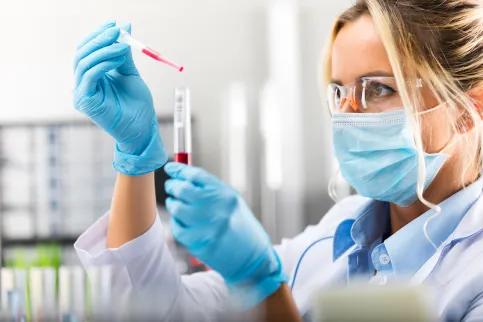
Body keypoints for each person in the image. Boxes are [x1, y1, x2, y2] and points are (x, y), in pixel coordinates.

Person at [72, 0, 483, 320]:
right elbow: (157, 310)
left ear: (469, 108)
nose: (348, 116)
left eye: (378, 89)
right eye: (339, 92)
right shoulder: (334, 241)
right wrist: (136, 156)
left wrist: (262, 286)